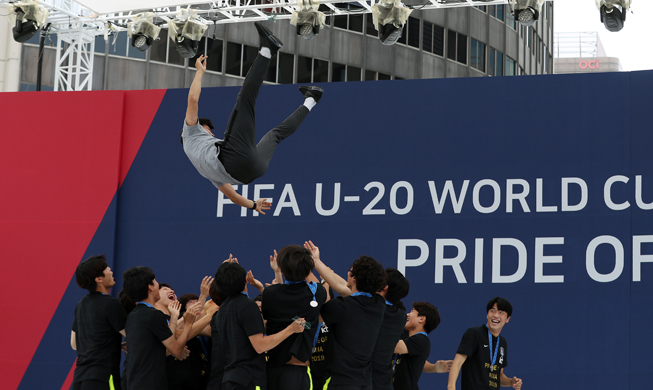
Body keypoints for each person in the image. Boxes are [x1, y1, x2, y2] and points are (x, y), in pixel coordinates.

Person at [182, 22, 324, 214]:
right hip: (234, 159)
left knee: (276, 135)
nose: (211, 133)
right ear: (198, 128)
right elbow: (192, 99)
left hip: (254, 172)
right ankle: (267, 49)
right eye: (207, 129)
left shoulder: (204, 170)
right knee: (245, 100)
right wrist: (199, 72)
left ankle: (311, 99)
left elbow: (232, 197)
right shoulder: (190, 132)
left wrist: (254, 205)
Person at [304, 240, 387, 390]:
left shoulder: (341, 307)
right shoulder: (378, 304)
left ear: (354, 278)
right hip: (365, 382)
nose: (347, 272)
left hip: (343, 382)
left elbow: (312, 318)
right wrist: (316, 261)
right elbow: (343, 288)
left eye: (351, 270)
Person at [213, 259, 307, 390]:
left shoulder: (222, 309)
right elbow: (260, 346)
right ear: (246, 280)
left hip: (230, 379)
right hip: (249, 380)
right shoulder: (247, 306)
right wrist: (291, 329)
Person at [262, 245, 328, 390]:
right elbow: (321, 288)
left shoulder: (269, 293)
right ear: (308, 269)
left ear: (282, 268)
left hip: (272, 370)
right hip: (298, 370)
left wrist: (278, 272)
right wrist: (311, 261)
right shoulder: (316, 293)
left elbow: (281, 294)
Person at [122, 266, 197, 390]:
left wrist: (173, 317)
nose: (158, 284)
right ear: (150, 287)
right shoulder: (152, 315)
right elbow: (176, 350)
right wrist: (188, 323)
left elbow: (167, 351)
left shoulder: (133, 315)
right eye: (155, 281)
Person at [71, 255, 127, 390]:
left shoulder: (81, 304)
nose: (111, 271)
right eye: (107, 269)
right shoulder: (111, 304)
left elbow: (74, 344)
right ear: (99, 279)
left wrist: (113, 344)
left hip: (79, 379)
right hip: (103, 377)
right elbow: (134, 335)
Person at [447, 297, 523, 390]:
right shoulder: (474, 333)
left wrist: (511, 382)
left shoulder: (503, 343)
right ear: (487, 314)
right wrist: (451, 387)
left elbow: (499, 375)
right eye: (492, 311)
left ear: (508, 319)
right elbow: (457, 362)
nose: (496, 315)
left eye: (501, 312)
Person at [392, 302, 445, 390]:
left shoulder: (422, 340)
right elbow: (419, 363)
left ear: (421, 319)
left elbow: (391, 347)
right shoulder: (405, 335)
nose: (407, 315)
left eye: (412, 312)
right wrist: (433, 367)